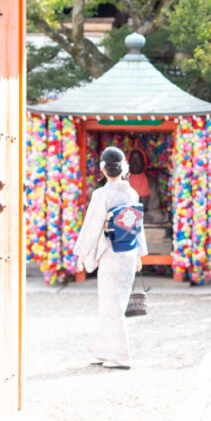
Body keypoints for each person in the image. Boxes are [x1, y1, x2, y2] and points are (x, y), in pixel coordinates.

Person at [74, 147, 148, 369]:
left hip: (110, 253)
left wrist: (82, 253)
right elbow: (137, 227)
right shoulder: (131, 193)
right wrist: (139, 254)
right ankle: (102, 350)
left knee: (112, 305)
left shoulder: (102, 195)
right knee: (114, 303)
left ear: (103, 169)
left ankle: (120, 356)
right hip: (127, 251)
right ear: (125, 166)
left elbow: (92, 227)